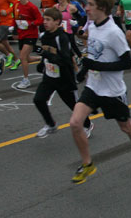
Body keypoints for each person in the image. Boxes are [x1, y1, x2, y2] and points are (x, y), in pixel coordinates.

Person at [69, 0, 131, 183]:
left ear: (102, 7)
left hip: (112, 91)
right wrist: (83, 71)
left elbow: (126, 62)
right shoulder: (93, 26)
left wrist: (95, 65)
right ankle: (88, 164)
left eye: (90, 4)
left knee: (126, 127)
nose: (86, 8)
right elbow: (94, 54)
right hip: (94, 86)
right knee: (75, 123)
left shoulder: (114, 32)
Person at [32, 8, 92, 138]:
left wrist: (45, 54)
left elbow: (65, 60)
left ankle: (87, 124)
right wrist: (42, 63)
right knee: (38, 99)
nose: (45, 22)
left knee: (74, 106)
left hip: (64, 78)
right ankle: (50, 124)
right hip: (49, 76)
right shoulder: (43, 36)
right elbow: (46, 53)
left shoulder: (62, 37)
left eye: (48, 20)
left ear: (57, 21)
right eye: (44, 19)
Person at [13, 0, 44, 89]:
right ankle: (43, 58)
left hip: (31, 35)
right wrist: (13, 29)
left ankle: (26, 80)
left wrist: (30, 24)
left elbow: (40, 20)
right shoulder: (16, 5)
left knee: (22, 57)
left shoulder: (32, 7)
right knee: (27, 58)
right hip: (21, 34)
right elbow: (15, 18)